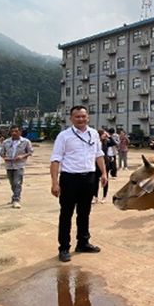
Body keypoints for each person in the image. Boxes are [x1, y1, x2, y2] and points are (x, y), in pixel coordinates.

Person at [50, 106, 108, 263]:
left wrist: (103, 173)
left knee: (84, 212)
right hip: (70, 179)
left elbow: (99, 154)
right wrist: (55, 183)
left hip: (89, 178)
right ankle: (64, 248)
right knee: (66, 214)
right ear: (71, 119)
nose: (81, 119)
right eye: (77, 117)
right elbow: (56, 160)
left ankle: (83, 243)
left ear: (88, 117)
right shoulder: (64, 136)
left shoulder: (94, 133)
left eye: (83, 116)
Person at [1, 125, 33, 209]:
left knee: (17, 182)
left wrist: (22, 156)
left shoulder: (25, 142)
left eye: (16, 131)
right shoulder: (6, 142)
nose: (14, 133)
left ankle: (16, 200)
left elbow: (30, 152)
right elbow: (2, 153)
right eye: (12, 131)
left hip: (19, 165)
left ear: (20, 132)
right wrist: (5, 158)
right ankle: (14, 196)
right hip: (9, 165)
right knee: (12, 183)